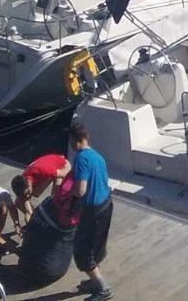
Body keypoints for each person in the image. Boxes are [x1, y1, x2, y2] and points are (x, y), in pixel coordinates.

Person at [70, 121, 113, 301]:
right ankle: (95, 280)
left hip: (93, 211)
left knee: (82, 251)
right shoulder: (97, 155)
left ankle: (103, 289)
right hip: (107, 205)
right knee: (96, 247)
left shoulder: (81, 159)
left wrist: (70, 194)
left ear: (74, 140)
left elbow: (80, 190)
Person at [13, 153, 71, 224]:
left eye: (27, 193)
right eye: (24, 195)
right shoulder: (21, 184)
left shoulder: (43, 170)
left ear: (28, 183)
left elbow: (66, 174)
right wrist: (30, 219)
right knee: (19, 202)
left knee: (56, 194)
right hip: (45, 173)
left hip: (62, 166)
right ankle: (36, 220)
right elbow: (26, 208)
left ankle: (58, 217)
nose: (27, 196)